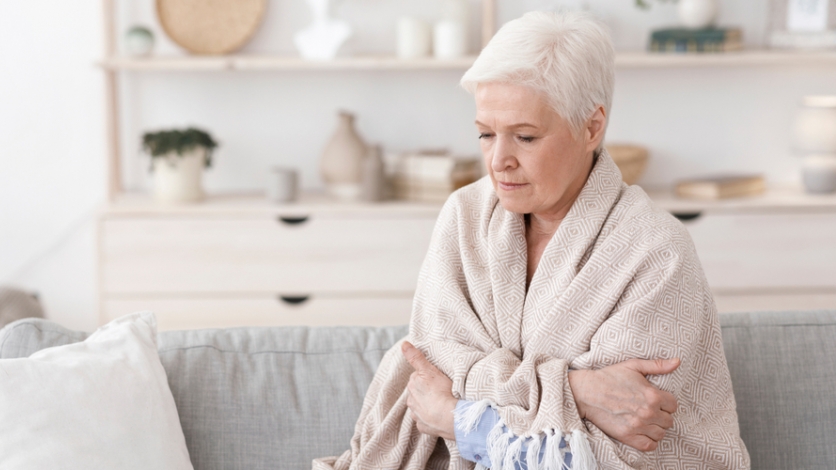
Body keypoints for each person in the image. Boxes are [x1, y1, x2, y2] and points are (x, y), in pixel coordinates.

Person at [314, 11, 749, 470]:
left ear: (591, 127)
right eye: (485, 134)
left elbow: (603, 453)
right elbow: (428, 364)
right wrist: (576, 390)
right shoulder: (464, 217)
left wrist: (460, 419)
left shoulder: (656, 252)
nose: (499, 160)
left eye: (525, 136)